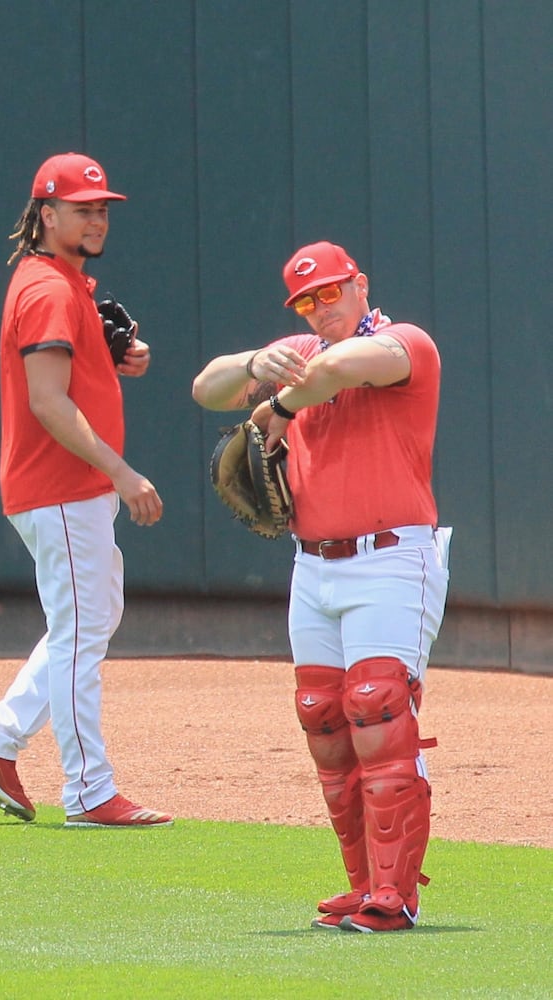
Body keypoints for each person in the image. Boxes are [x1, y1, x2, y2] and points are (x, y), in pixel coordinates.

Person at [190, 240, 447, 932]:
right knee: (324, 721)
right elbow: (205, 387)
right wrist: (251, 367)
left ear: (360, 285)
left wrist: (275, 400)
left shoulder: (403, 342)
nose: (319, 308)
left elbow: (341, 369)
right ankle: (361, 883)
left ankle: (395, 897)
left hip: (390, 557)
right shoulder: (294, 355)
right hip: (314, 564)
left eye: (330, 292)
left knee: (377, 709)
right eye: (305, 301)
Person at [0, 153, 174, 828]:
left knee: (89, 618)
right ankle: (87, 791)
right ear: (45, 215)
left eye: (101, 207)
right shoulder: (47, 288)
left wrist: (109, 358)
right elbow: (46, 402)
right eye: (82, 208)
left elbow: (66, 380)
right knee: (80, 631)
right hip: (59, 485)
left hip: (64, 487)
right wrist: (121, 471)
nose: (96, 217)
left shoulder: (58, 281)